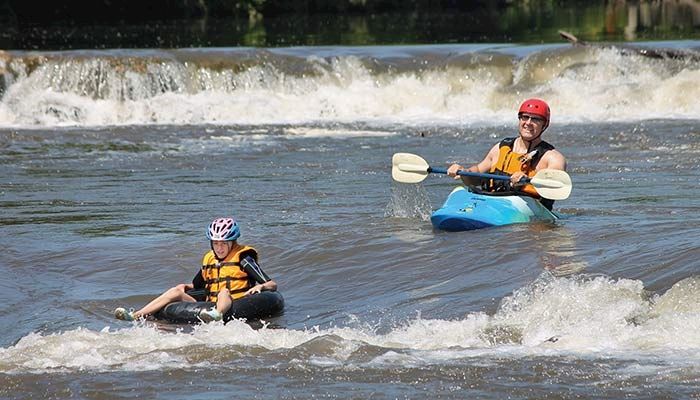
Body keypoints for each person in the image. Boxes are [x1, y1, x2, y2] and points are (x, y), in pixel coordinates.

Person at [114, 217, 278, 322]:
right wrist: (185, 288)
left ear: (232, 243)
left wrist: (261, 286)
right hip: (209, 303)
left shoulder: (243, 259)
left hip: (236, 302)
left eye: (223, 244)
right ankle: (135, 316)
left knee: (223, 291)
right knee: (175, 291)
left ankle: (218, 314)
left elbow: (272, 284)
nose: (219, 248)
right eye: (215, 243)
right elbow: (200, 285)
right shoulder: (210, 259)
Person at [446, 98, 567, 210]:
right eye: (525, 117)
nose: (528, 123)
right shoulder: (501, 148)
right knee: (460, 190)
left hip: (524, 208)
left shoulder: (553, 158)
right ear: (519, 120)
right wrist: (463, 172)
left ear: (544, 125)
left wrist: (527, 181)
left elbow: (554, 186)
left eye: (536, 119)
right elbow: (477, 173)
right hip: (491, 202)